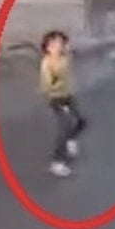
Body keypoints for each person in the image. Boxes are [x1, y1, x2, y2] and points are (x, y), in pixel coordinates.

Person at [39, 30, 87, 178]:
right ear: (48, 48)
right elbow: (46, 85)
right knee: (64, 126)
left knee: (80, 122)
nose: (59, 46)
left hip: (69, 96)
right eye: (55, 44)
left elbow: (72, 56)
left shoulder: (65, 57)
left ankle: (70, 140)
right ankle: (57, 163)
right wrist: (56, 84)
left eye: (61, 43)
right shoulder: (47, 64)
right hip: (57, 98)